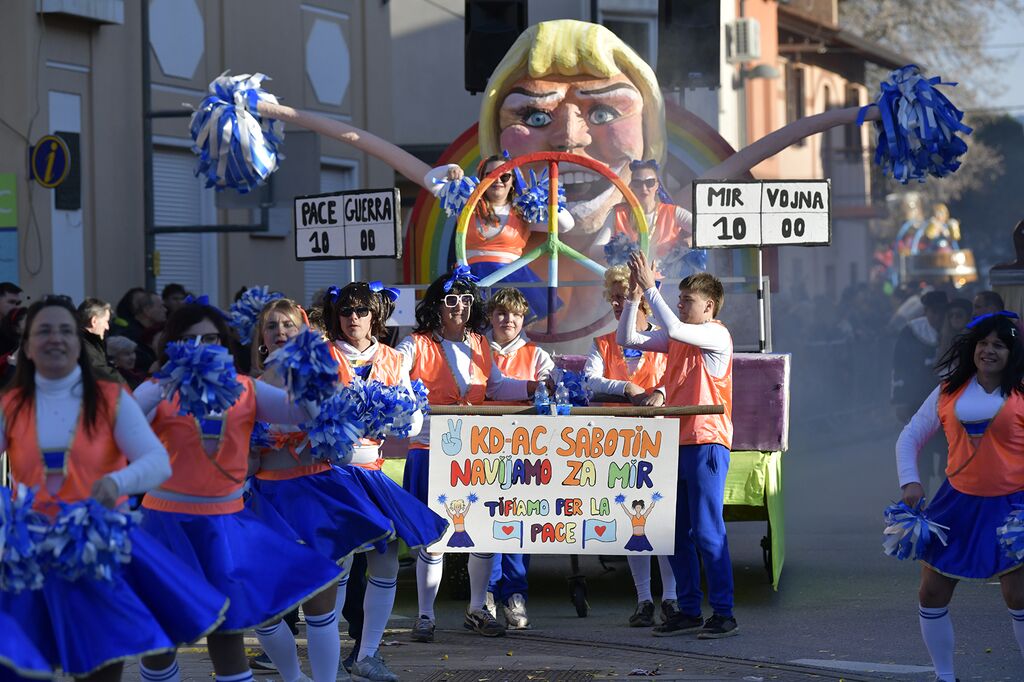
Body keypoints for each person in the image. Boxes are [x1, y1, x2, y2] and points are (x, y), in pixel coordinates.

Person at [0, 296, 229, 681]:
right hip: (32, 551)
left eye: (65, 330)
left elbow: (155, 461)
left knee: (100, 666)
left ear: (78, 343)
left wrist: (115, 482)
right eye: (44, 331)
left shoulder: (109, 397)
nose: (55, 338)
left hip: (100, 549)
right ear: (27, 346)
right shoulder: (12, 403)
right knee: (24, 665)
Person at [131, 301, 343, 682]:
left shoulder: (246, 388)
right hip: (166, 526)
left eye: (210, 338)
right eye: (190, 340)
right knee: (161, 640)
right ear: (174, 344)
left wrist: (304, 364)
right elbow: (123, 432)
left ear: (224, 342)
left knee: (228, 636)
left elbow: (304, 413)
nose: (201, 347)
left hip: (222, 527)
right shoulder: (159, 388)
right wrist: (162, 386)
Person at [244, 296, 400, 682]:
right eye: (271, 326)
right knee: (263, 610)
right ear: (261, 336)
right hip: (266, 501)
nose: (280, 332)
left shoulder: (321, 380)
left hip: (313, 497)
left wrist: (321, 427)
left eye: (288, 325)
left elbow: (342, 450)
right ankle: (295, 677)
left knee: (320, 608)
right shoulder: (249, 387)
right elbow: (244, 462)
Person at [396, 266, 538, 641]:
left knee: (483, 533)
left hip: (474, 453)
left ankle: (477, 609)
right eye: (450, 300)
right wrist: (407, 400)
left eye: (464, 300)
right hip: (429, 450)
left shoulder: (479, 343)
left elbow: (497, 387)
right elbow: (393, 375)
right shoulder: (414, 344)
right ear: (436, 305)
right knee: (434, 539)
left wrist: (535, 386)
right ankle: (425, 616)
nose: (458, 306)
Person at [894, 312, 1024, 681]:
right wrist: (910, 482)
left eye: (999, 345)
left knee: (1019, 595)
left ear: (1012, 352)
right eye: (983, 343)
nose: (989, 350)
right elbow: (910, 436)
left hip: (1013, 506)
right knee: (931, 592)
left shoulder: (1021, 391)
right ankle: (945, 676)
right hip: (957, 503)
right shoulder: (949, 390)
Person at [619, 252, 737, 639]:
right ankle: (688, 610)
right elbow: (627, 338)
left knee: (707, 532)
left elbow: (672, 326)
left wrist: (650, 288)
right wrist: (634, 296)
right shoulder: (680, 337)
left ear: (709, 306)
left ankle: (724, 613)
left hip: (706, 442)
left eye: (688, 300)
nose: (681, 305)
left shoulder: (716, 334)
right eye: (680, 299)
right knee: (673, 534)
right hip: (677, 443)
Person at [585, 266, 675, 627]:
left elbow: (679, 375)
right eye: (613, 298)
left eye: (623, 297)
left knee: (663, 520)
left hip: (660, 439)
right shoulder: (603, 343)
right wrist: (625, 388)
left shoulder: (665, 338)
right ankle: (643, 600)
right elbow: (590, 380)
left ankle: (671, 599)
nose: (617, 303)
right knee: (633, 521)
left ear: (643, 302)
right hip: (619, 443)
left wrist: (661, 392)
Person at [426, 155, 572, 321]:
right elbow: (430, 181)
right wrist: (450, 169)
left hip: (513, 279)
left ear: (513, 180)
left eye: (504, 176)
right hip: (473, 277)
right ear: (482, 179)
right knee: (474, 326)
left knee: (510, 323)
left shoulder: (523, 209)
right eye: (491, 175)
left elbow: (566, 225)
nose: (498, 180)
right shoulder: (466, 204)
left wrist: (544, 201)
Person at [483, 287, 554, 629]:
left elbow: (550, 393)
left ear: (524, 318)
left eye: (515, 314)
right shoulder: (476, 349)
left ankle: (515, 595)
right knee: (485, 523)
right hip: (480, 449)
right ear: (490, 317)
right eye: (501, 313)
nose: (507, 320)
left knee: (518, 523)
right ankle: (486, 595)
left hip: (524, 451)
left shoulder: (538, 355)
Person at [596, 159, 693, 267]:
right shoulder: (618, 213)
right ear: (631, 186)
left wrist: (687, 243)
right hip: (627, 275)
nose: (644, 188)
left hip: (663, 276)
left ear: (657, 186)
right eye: (637, 183)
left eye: (649, 183)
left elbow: (705, 231)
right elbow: (594, 250)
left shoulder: (673, 212)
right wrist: (617, 248)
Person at [892, 290, 948, 423]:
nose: (938, 317)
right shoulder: (911, 331)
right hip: (918, 395)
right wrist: (900, 400)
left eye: (941, 312)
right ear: (926, 311)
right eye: (934, 312)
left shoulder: (955, 327)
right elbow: (900, 366)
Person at [77, 297, 124, 384]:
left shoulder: (88, 343)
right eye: (106, 321)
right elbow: (104, 375)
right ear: (94, 321)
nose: (107, 327)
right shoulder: (85, 347)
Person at [124, 291, 166, 375]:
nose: (165, 310)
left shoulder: (157, 331)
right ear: (147, 310)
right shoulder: (130, 336)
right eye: (161, 306)